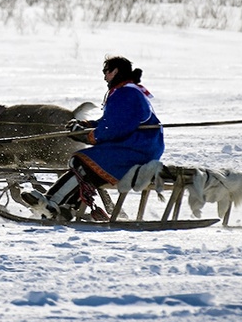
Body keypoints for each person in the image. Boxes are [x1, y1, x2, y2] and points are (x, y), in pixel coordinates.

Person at [21, 55, 164, 221]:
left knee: (84, 163)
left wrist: (86, 136)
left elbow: (115, 128)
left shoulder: (126, 94)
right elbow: (110, 122)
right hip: (136, 147)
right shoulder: (128, 91)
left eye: (106, 72)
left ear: (115, 71)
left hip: (136, 149)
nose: (104, 77)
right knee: (85, 164)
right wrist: (86, 125)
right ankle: (66, 206)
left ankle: (53, 203)